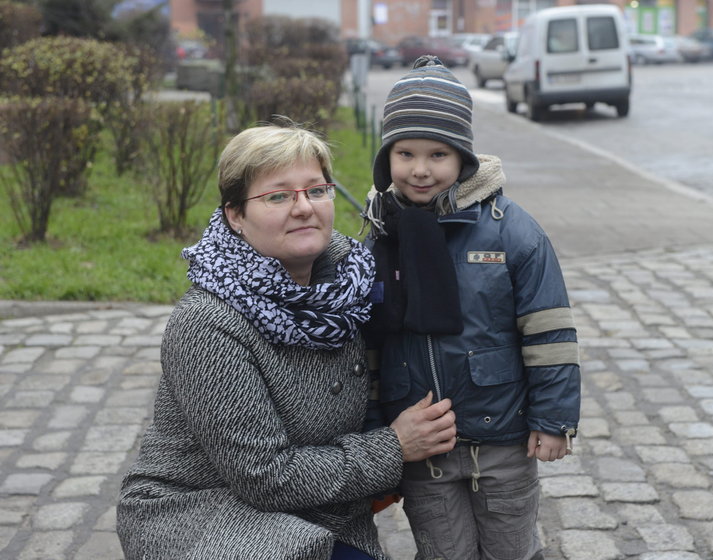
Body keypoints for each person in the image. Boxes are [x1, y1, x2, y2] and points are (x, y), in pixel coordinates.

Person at [116, 121, 457, 560]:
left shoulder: (350, 284)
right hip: (205, 515)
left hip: (321, 513)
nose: (303, 208)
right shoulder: (208, 324)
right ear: (235, 215)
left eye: (316, 190)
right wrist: (393, 447)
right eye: (278, 196)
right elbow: (264, 475)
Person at [361, 56, 581, 560]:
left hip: (503, 437)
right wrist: (377, 424)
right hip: (425, 446)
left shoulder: (510, 230)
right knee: (443, 551)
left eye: (438, 154)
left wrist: (554, 417)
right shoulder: (380, 237)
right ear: (386, 158)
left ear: (463, 157)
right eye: (405, 153)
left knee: (510, 548)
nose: (420, 169)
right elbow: (369, 344)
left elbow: (549, 330)